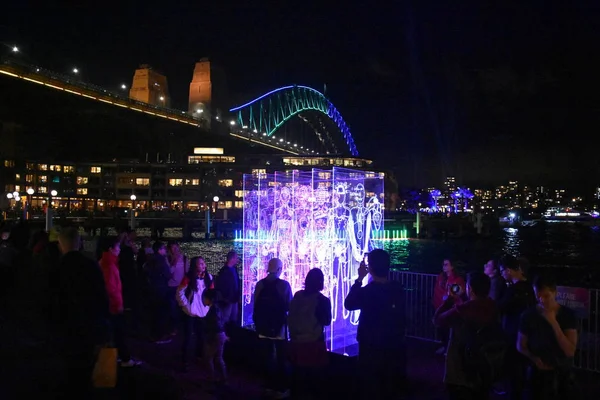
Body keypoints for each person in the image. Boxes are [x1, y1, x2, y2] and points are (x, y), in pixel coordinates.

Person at [51, 227, 109, 397]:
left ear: (61, 244)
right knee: (85, 369)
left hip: (65, 327)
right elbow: (101, 298)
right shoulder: (90, 265)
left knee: (68, 370)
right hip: (88, 325)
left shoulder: (57, 268)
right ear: (80, 243)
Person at [344, 249, 407, 400]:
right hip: (392, 342)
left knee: (370, 382)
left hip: (370, 342)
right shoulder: (397, 288)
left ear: (370, 268)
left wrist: (359, 279)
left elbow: (349, 303)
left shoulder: (368, 291)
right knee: (388, 381)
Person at [433, 272, 500, 400]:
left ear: (470, 288)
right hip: (484, 368)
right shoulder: (493, 307)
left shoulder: (462, 310)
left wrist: (449, 300)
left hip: (460, 372)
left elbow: (437, 320)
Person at [517, 275, 578, 399]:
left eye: (546, 296)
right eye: (538, 296)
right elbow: (520, 344)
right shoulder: (528, 315)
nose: (542, 300)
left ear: (554, 293)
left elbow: (570, 351)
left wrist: (553, 323)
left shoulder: (567, 315)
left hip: (561, 372)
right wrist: (534, 358)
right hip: (537, 373)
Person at [288, 268, 332, 399]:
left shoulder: (297, 296)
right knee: (314, 379)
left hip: (296, 343)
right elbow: (327, 320)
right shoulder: (322, 300)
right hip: (314, 344)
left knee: (298, 377)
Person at [497, 254, 536, 400]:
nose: (501, 274)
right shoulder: (529, 288)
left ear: (508, 270)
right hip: (526, 334)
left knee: (513, 370)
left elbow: (500, 306)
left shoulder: (513, 290)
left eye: (502, 271)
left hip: (513, 334)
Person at [253, 258, 293, 398]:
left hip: (263, 327)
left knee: (267, 356)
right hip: (279, 328)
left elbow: (256, 305)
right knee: (281, 357)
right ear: (280, 269)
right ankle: (280, 388)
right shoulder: (284, 285)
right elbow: (290, 306)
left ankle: (267, 385)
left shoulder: (259, 284)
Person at [99, 237, 141, 367]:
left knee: (113, 333)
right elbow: (112, 289)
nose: (119, 250)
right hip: (113, 306)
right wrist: (119, 305)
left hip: (108, 305)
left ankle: (117, 356)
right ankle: (125, 359)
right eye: (117, 247)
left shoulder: (104, 262)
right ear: (111, 249)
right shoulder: (110, 265)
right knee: (119, 333)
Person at [177, 256, 213, 370]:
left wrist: (207, 307)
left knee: (201, 336)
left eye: (203, 263)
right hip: (190, 313)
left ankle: (199, 356)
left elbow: (211, 294)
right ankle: (185, 361)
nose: (203, 265)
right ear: (194, 265)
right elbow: (179, 292)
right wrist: (186, 306)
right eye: (200, 263)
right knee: (188, 337)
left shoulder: (209, 277)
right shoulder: (188, 278)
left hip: (202, 312)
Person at [433, 259, 465, 355]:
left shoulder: (457, 279)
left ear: (452, 267)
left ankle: (449, 349)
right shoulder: (440, 278)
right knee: (442, 329)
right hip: (440, 306)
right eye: (443, 264)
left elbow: (457, 293)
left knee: (449, 330)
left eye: (446, 265)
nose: (444, 266)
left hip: (450, 308)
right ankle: (445, 346)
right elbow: (437, 291)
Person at [145, 241, 173, 344]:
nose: (165, 250)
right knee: (161, 313)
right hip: (161, 290)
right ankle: (159, 336)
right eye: (163, 248)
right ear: (159, 250)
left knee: (154, 313)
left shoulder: (150, 259)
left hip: (152, 289)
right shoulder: (161, 260)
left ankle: (153, 334)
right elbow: (168, 275)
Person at [201, 288, 228, 385]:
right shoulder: (218, 308)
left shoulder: (212, 311)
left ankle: (211, 379)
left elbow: (213, 324)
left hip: (215, 335)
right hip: (221, 335)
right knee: (219, 358)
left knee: (209, 358)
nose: (203, 300)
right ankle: (224, 379)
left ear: (210, 299)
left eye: (204, 298)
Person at [215, 250, 241, 328]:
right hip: (227, 300)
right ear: (232, 258)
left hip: (234, 299)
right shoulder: (224, 272)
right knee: (225, 319)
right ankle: (223, 336)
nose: (237, 260)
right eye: (236, 258)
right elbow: (221, 286)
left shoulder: (233, 269)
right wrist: (225, 298)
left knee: (233, 318)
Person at [167, 240, 186, 335]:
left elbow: (187, 272)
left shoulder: (184, 259)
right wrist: (173, 262)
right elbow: (168, 273)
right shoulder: (167, 259)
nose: (175, 250)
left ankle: (181, 328)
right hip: (171, 287)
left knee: (182, 307)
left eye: (176, 247)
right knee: (172, 308)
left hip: (182, 287)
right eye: (172, 248)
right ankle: (174, 328)